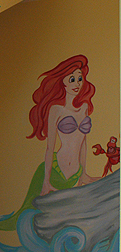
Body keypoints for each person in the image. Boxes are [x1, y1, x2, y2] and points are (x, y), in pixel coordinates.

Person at [27, 54, 98, 195]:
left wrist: (83, 173)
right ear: (63, 82)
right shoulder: (56, 110)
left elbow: (83, 143)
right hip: (55, 171)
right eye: (72, 79)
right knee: (32, 206)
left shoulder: (84, 107)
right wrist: (46, 181)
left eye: (79, 79)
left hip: (75, 174)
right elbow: (50, 147)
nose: (77, 84)